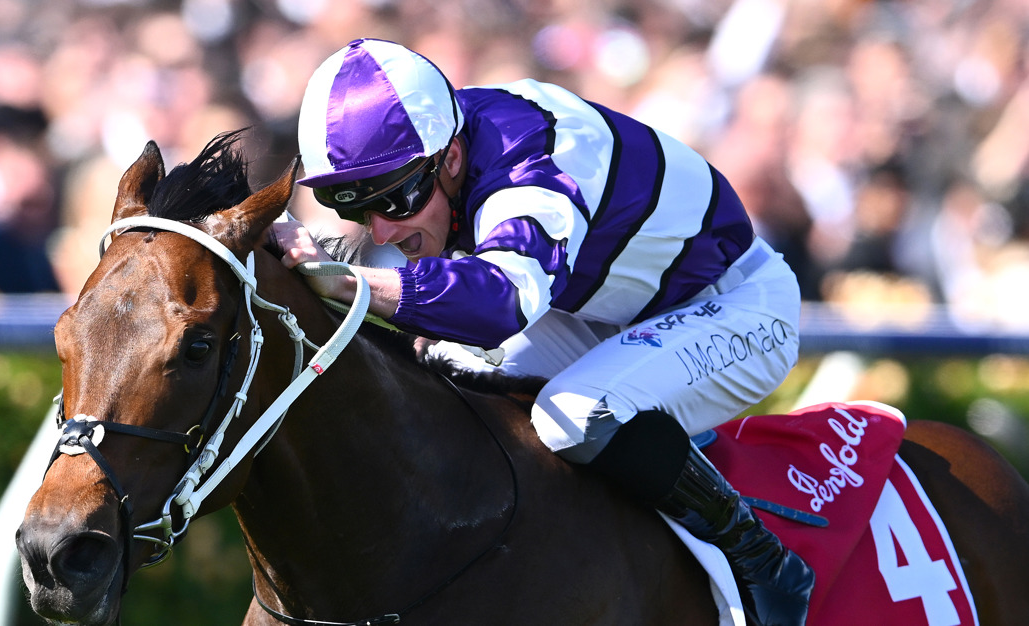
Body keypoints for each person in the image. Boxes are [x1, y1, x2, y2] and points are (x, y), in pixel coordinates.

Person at [270, 38, 813, 625]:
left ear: (451, 158)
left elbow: (501, 303)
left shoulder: (531, 161)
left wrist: (349, 283)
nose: (380, 232)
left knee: (573, 414)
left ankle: (761, 558)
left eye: (396, 200)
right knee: (448, 369)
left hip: (738, 306)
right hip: (606, 312)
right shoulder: (443, 141)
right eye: (351, 204)